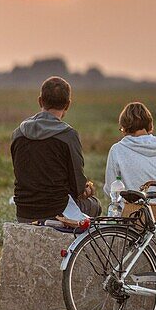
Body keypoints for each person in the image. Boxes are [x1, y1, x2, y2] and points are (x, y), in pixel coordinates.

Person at [11, 76, 100, 223]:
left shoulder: (18, 133)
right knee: (95, 205)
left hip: (24, 211)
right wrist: (86, 189)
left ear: (40, 101)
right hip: (57, 210)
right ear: (68, 104)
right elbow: (77, 186)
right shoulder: (68, 135)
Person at [104, 101, 156, 239]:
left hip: (135, 219)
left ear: (124, 127)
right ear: (149, 125)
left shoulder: (117, 149)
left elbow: (110, 191)